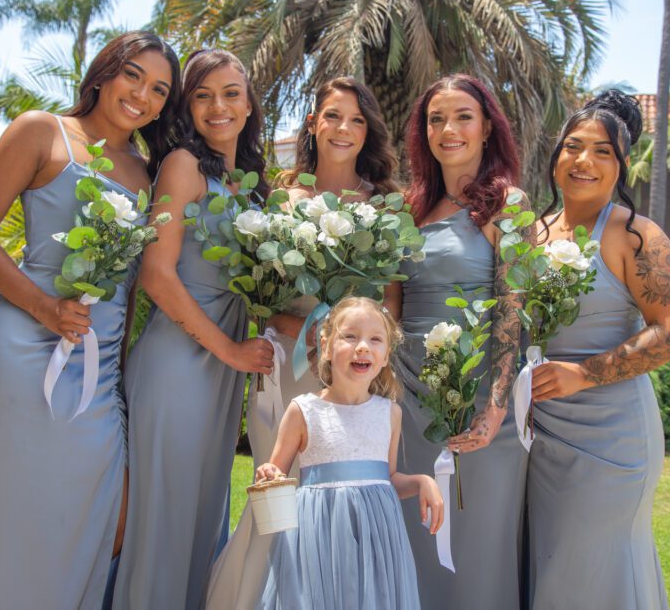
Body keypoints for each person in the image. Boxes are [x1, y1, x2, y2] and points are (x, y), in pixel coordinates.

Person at [0, 31, 181, 609]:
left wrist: (116, 382)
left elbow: (132, 290)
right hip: (21, 350)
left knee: (81, 517)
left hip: (97, 375)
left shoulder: (148, 176)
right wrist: (44, 307)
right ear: (104, 72)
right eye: (133, 76)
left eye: (160, 89)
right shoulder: (41, 130)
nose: (143, 95)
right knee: (5, 510)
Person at [206, 76, 401, 610]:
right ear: (313, 123)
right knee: (277, 494)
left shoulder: (384, 206)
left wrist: (368, 364)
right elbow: (262, 298)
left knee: (341, 505)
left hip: (352, 380)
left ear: (369, 132)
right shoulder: (280, 197)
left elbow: (389, 304)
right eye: (333, 116)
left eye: (357, 120)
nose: (344, 129)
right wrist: (307, 332)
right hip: (286, 369)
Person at [112, 49, 275, 609]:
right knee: (165, 520)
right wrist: (230, 349)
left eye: (231, 92)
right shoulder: (182, 165)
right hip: (179, 363)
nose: (218, 106)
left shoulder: (251, 185)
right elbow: (158, 277)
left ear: (250, 104)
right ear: (185, 107)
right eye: (202, 95)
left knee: (203, 515)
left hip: (224, 371)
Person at [527, 90, 670, 609]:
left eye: (603, 152)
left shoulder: (636, 236)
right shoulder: (529, 235)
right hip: (540, 430)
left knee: (596, 564)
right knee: (550, 564)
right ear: (555, 157)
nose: (584, 161)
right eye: (573, 146)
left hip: (612, 434)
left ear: (621, 166)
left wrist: (585, 374)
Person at [384, 74, 528, 608]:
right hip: (408, 397)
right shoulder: (407, 207)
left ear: (488, 127)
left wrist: (493, 408)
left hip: (477, 398)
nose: (449, 129)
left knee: (476, 543)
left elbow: (513, 309)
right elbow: (392, 305)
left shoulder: (506, 204)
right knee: (414, 537)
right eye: (436, 118)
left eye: (463, 116)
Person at [254, 296, 443, 609]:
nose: (363, 347)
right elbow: (273, 477)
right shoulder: (303, 410)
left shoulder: (389, 413)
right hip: (319, 540)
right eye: (350, 337)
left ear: (385, 356)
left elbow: (389, 479)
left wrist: (423, 481)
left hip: (376, 544)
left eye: (375, 339)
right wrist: (268, 475)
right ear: (326, 346)